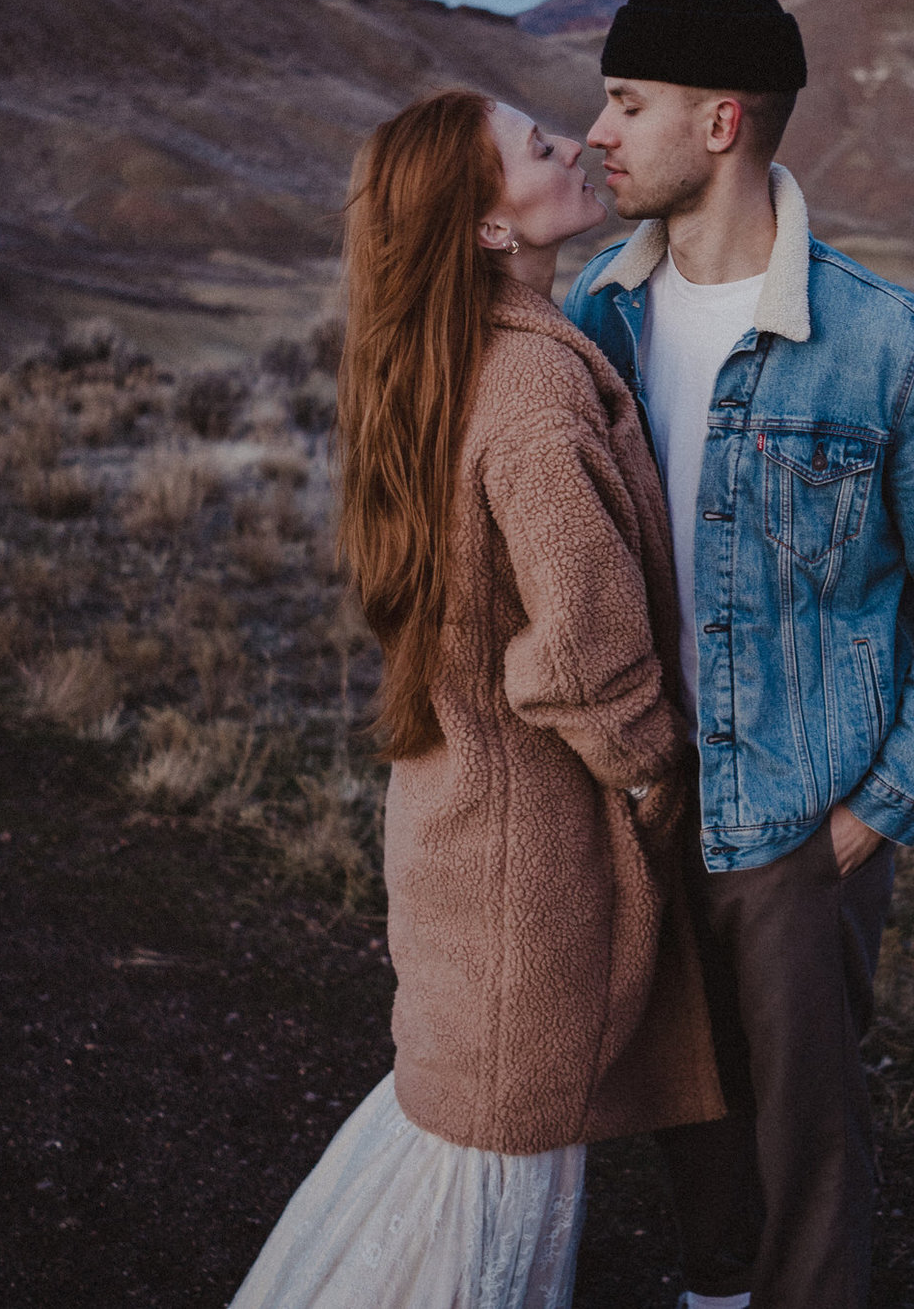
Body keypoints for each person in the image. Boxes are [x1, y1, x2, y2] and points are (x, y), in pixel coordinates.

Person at [563, 0, 914, 1309]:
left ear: (720, 122)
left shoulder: (884, 343)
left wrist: (880, 807)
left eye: (625, 102)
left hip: (802, 807)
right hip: (651, 794)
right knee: (689, 1123)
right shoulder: (600, 312)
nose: (597, 132)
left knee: (806, 1142)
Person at [228, 89, 724, 1309]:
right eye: (538, 147)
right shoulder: (533, 391)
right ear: (492, 230)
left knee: (457, 1140)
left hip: (459, 831)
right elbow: (580, 652)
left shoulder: (451, 369)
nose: (571, 142)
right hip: (529, 875)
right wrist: (662, 777)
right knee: (487, 1178)